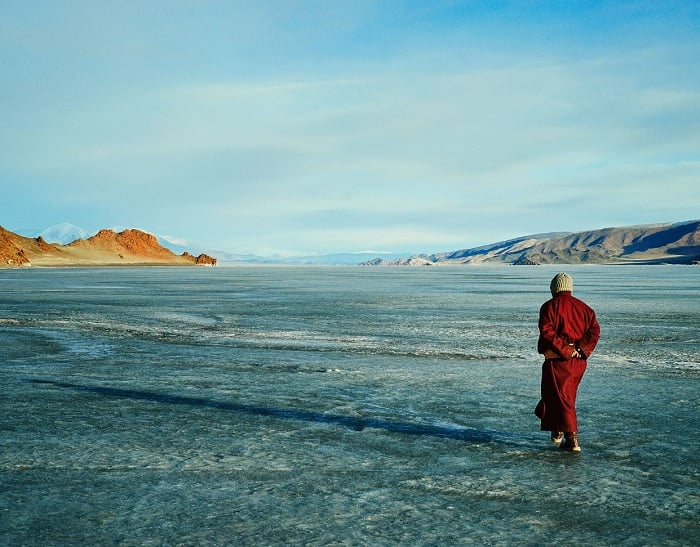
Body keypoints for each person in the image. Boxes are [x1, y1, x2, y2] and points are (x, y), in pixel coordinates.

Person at [535, 273, 600, 452]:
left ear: (554, 288)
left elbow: (547, 331)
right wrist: (581, 349)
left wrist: (565, 350)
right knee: (559, 395)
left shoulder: (549, 307)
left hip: (557, 360)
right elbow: (594, 331)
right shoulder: (585, 308)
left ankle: (572, 439)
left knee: (563, 398)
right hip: (578, 363)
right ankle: (557, 431)